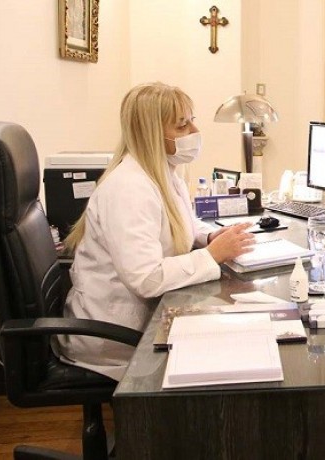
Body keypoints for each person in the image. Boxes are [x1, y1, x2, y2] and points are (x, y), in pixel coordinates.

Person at [56, 82, 256, 380]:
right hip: (114, 337)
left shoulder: (163, 171)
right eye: (182, 125)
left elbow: (180, 220)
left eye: (192, 120)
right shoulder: (129, 188)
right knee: (230, 350)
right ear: (151, 132)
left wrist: (208, 237)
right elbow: (146, 279)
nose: (194, 131)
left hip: (144, 318)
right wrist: (212, 255)